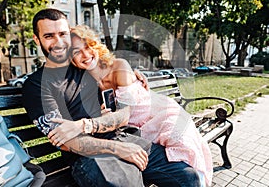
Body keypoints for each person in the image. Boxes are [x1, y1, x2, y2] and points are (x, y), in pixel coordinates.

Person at [23, 8, 201, 187]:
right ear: (37, 39)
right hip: (90, 156)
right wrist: (118, 149)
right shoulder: (37, 86)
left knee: (188, 177)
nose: (59, 42)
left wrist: (133, 75)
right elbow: (65, 141)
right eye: (49, 36)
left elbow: (123, 112)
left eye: (63, 34)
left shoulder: (83, 67)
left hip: (124, 137)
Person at [61, 24, 213, 187]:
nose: (85, 54)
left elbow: (123, 114)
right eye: (76, 52)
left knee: (185, 158)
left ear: (95, 46)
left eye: (87, 46)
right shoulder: (85, 82)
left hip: (159, 115)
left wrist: (100, 121)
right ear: (71, 59)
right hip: (137, 128)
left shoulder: (119, 66)